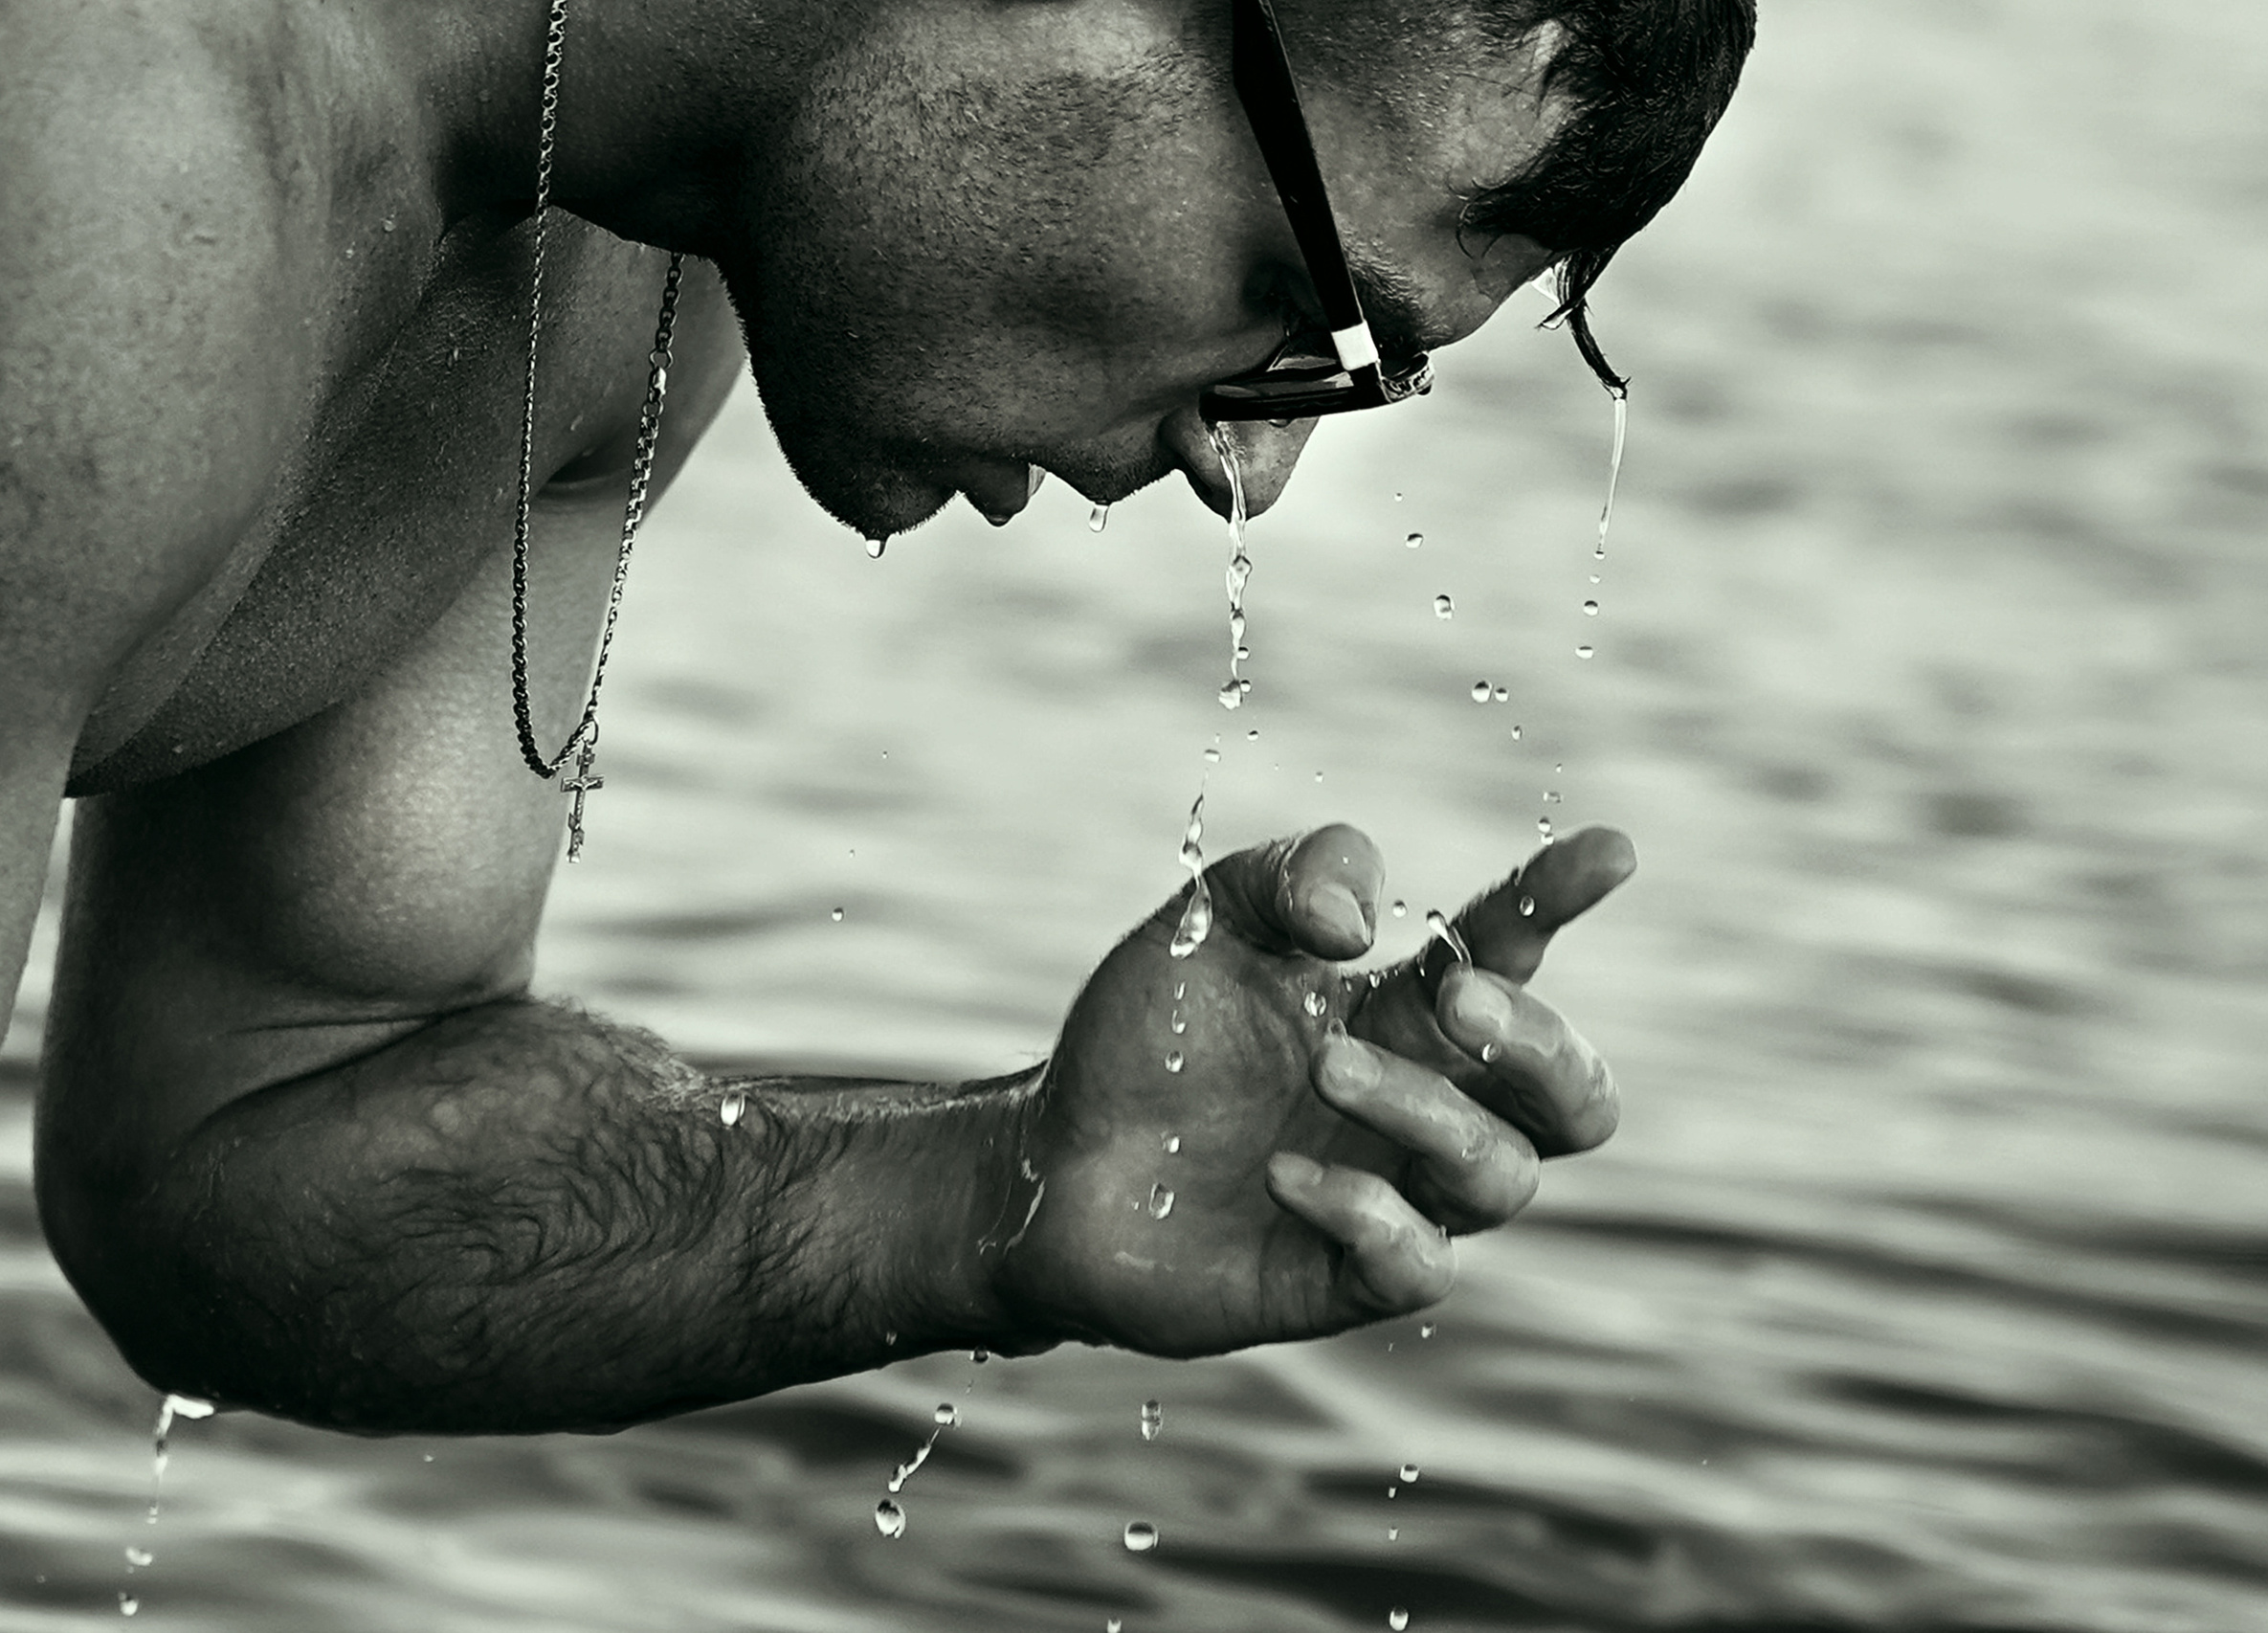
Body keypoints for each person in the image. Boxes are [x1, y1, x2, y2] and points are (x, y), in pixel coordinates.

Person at [0, 0, 1753, 1434]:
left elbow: (230, 1144)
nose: (1252, 468)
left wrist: (990, 1197)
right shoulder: (99, 175)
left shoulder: (620, 252)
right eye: (1304, 306)